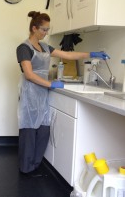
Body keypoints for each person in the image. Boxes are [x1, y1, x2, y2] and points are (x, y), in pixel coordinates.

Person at [16, 11, 109, 176]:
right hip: (30, 94)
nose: (46, 33)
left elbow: (67, 54)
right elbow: (29, 74)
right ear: (34, 28)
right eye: (44, 29)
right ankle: (26, 168)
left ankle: (35, 165)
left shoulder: (45, 47)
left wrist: (91, 54)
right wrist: (50, 83)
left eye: (48, 29)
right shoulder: (24, 48)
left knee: (43, 130)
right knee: (29, 131)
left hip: (43, 93)